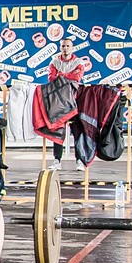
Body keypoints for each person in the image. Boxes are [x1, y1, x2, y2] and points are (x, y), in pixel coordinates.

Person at [48, 37, 85, 169]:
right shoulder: (54, 61)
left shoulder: (78, 61)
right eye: (63, 46)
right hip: (58, 100)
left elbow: (77, 77)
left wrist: (61, 75)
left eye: (68, 46)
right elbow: (51, 78)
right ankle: (57, 161)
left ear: (72, 47)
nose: (65, 48)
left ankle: (80, 160)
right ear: (60, 47)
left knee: (78, 131)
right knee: (58, 131)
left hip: (74, 99)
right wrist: (68, 75)